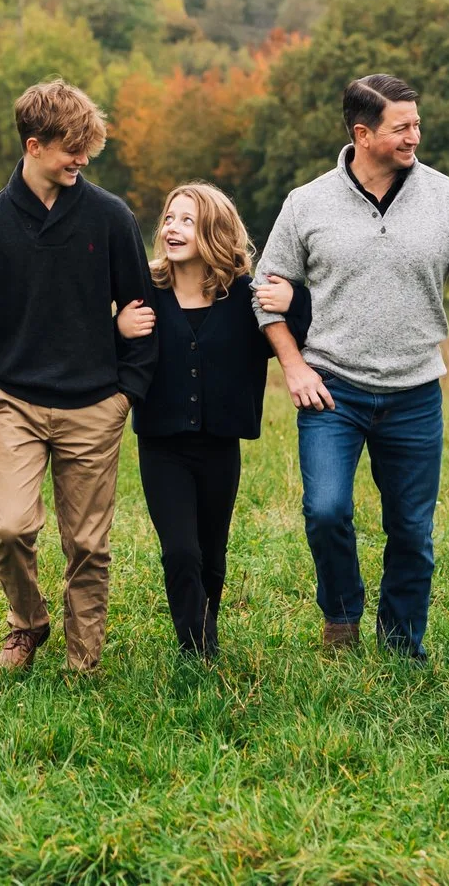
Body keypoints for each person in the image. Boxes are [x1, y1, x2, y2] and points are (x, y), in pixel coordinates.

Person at [252, 73, 449, 658]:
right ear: (363, 134)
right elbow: (264, 293)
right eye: (402, 127)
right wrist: (294, 366)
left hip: (415, 393)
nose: (415, 136)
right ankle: (342, 615)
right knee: (325, 511)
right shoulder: (306, 203)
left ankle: (401, 645)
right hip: (332, 390)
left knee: (412, 531)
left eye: (417, 124)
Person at [0, 79, 155, 675]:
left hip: (95, 405)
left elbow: (142, 313)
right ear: (34, 146)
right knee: (9, 528)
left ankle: (84, 660)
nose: (82, 160)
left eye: (87, 148)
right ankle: (28, 621)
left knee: (86, 543)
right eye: (71, 149)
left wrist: (126, 394)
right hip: (16, 402)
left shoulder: (110, 218)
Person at [129, 183, 312, 658]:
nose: (172, 228)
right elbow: (108, 352)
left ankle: (207, 627)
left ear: (213, 231)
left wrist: (294, 299)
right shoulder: (145, 292)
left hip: (220, 446)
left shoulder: (245, 299)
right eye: (169, 218)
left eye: (187, 221)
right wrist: (118, 329)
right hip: (161, 446)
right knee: (180, 551)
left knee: (212, 552)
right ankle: (194, 648)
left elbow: (303, 327)